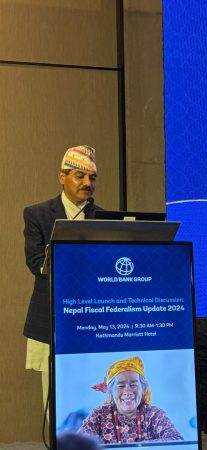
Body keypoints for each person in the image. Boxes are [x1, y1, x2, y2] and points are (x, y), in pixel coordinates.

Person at [23, 145, 100, 411]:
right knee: (56, 400)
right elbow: (36, 263)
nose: (87, 183)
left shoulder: (102, 217)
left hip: (93, 321)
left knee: (92, 395)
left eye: (92, 177)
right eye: (80, 176)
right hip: (52, 319)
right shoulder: (37, 214)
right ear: (61, 177)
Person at [79, 356, 183, 443]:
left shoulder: (154, 414)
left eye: (133, 385)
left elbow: (176, 441)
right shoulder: (99, 415)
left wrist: (143, 447)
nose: (128, 391)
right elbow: (79, 445)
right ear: (110, 391)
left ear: (144, 389)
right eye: (121, 386)